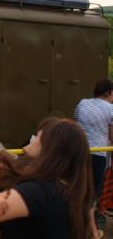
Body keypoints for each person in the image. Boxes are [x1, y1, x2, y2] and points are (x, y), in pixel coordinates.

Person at [74, 78, 113, 239]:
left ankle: (76, 225)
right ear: (109, 92)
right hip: (98, 155)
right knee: (91, 194)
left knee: (77, 189)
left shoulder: (82, 104)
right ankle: (91, 230)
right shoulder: (111, 109)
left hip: (78, 152)